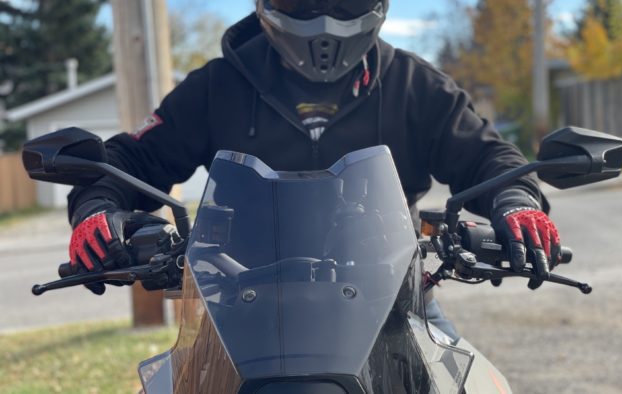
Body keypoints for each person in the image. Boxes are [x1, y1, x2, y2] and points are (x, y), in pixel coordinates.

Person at [66, 0, 561, 339]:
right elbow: (132, 158)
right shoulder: (218, 86)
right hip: (240, 307)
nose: (323, 16)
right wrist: (97, 205)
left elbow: (489, 158)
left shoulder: (413, 84)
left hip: (392, 301)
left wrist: (517, 202)